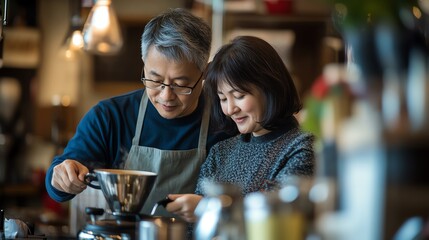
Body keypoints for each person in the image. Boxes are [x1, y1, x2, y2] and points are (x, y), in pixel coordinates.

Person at [44, 8, 231, 217]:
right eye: (155, 80)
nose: (166, 96)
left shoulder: (226, 121)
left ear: (204, 72)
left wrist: (210, 208)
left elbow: (244, 200)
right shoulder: (110, 117)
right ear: (144, 64)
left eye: (180, 84)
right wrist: (61, 176)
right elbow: (58, 182)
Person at [165, 36, 315, 222]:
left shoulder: (301, 147)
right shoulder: (221, 152)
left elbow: (278, 219)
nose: (230, 109)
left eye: (239, 95)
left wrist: (208, 210)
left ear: (270, 87)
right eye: (223, 98)